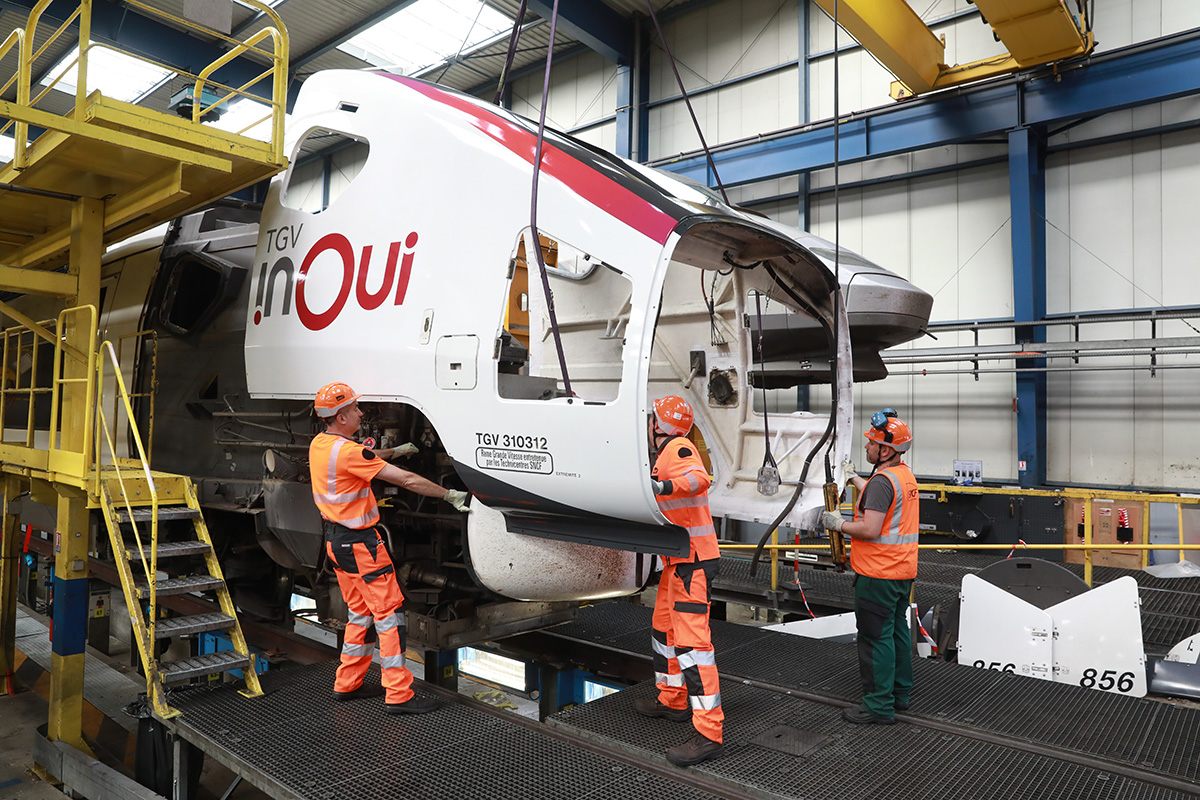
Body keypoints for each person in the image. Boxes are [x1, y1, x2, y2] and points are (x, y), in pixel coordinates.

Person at [309, 381, 470, 714]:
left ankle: (347, 683)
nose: (360, 412)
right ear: (340, 417)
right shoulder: (349, 452)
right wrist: (450, 495)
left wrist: (397, 451)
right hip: (361, 545)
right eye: (354, 408)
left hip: (336, 543)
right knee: (389, 616)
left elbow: (364, 457)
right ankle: (399, 694)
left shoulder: (321, 445)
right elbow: (407, 481)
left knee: (360, 614)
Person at [634, 395, 724, 767]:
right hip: (679, 561)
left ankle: (709, 731)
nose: (649, 422)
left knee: (693, 646)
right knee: (663, 630)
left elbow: (699, 479)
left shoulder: (678, 447)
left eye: (654, 418)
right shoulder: (661, 454)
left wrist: (661, 489)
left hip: (694, 565)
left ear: (662, 425)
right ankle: (671, 699)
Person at [822, 409, 919, 725]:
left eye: (872, 443)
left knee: (875, 638)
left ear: (886, 450)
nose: (867, 447)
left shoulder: (882, 481)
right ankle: (900, 694)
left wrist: (838, 524)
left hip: (877, 574)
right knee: (897, 633)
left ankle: (878, 706)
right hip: (902, 572)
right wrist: (854, 478)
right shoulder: (904, 476)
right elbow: (882, 501)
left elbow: (871, 529)